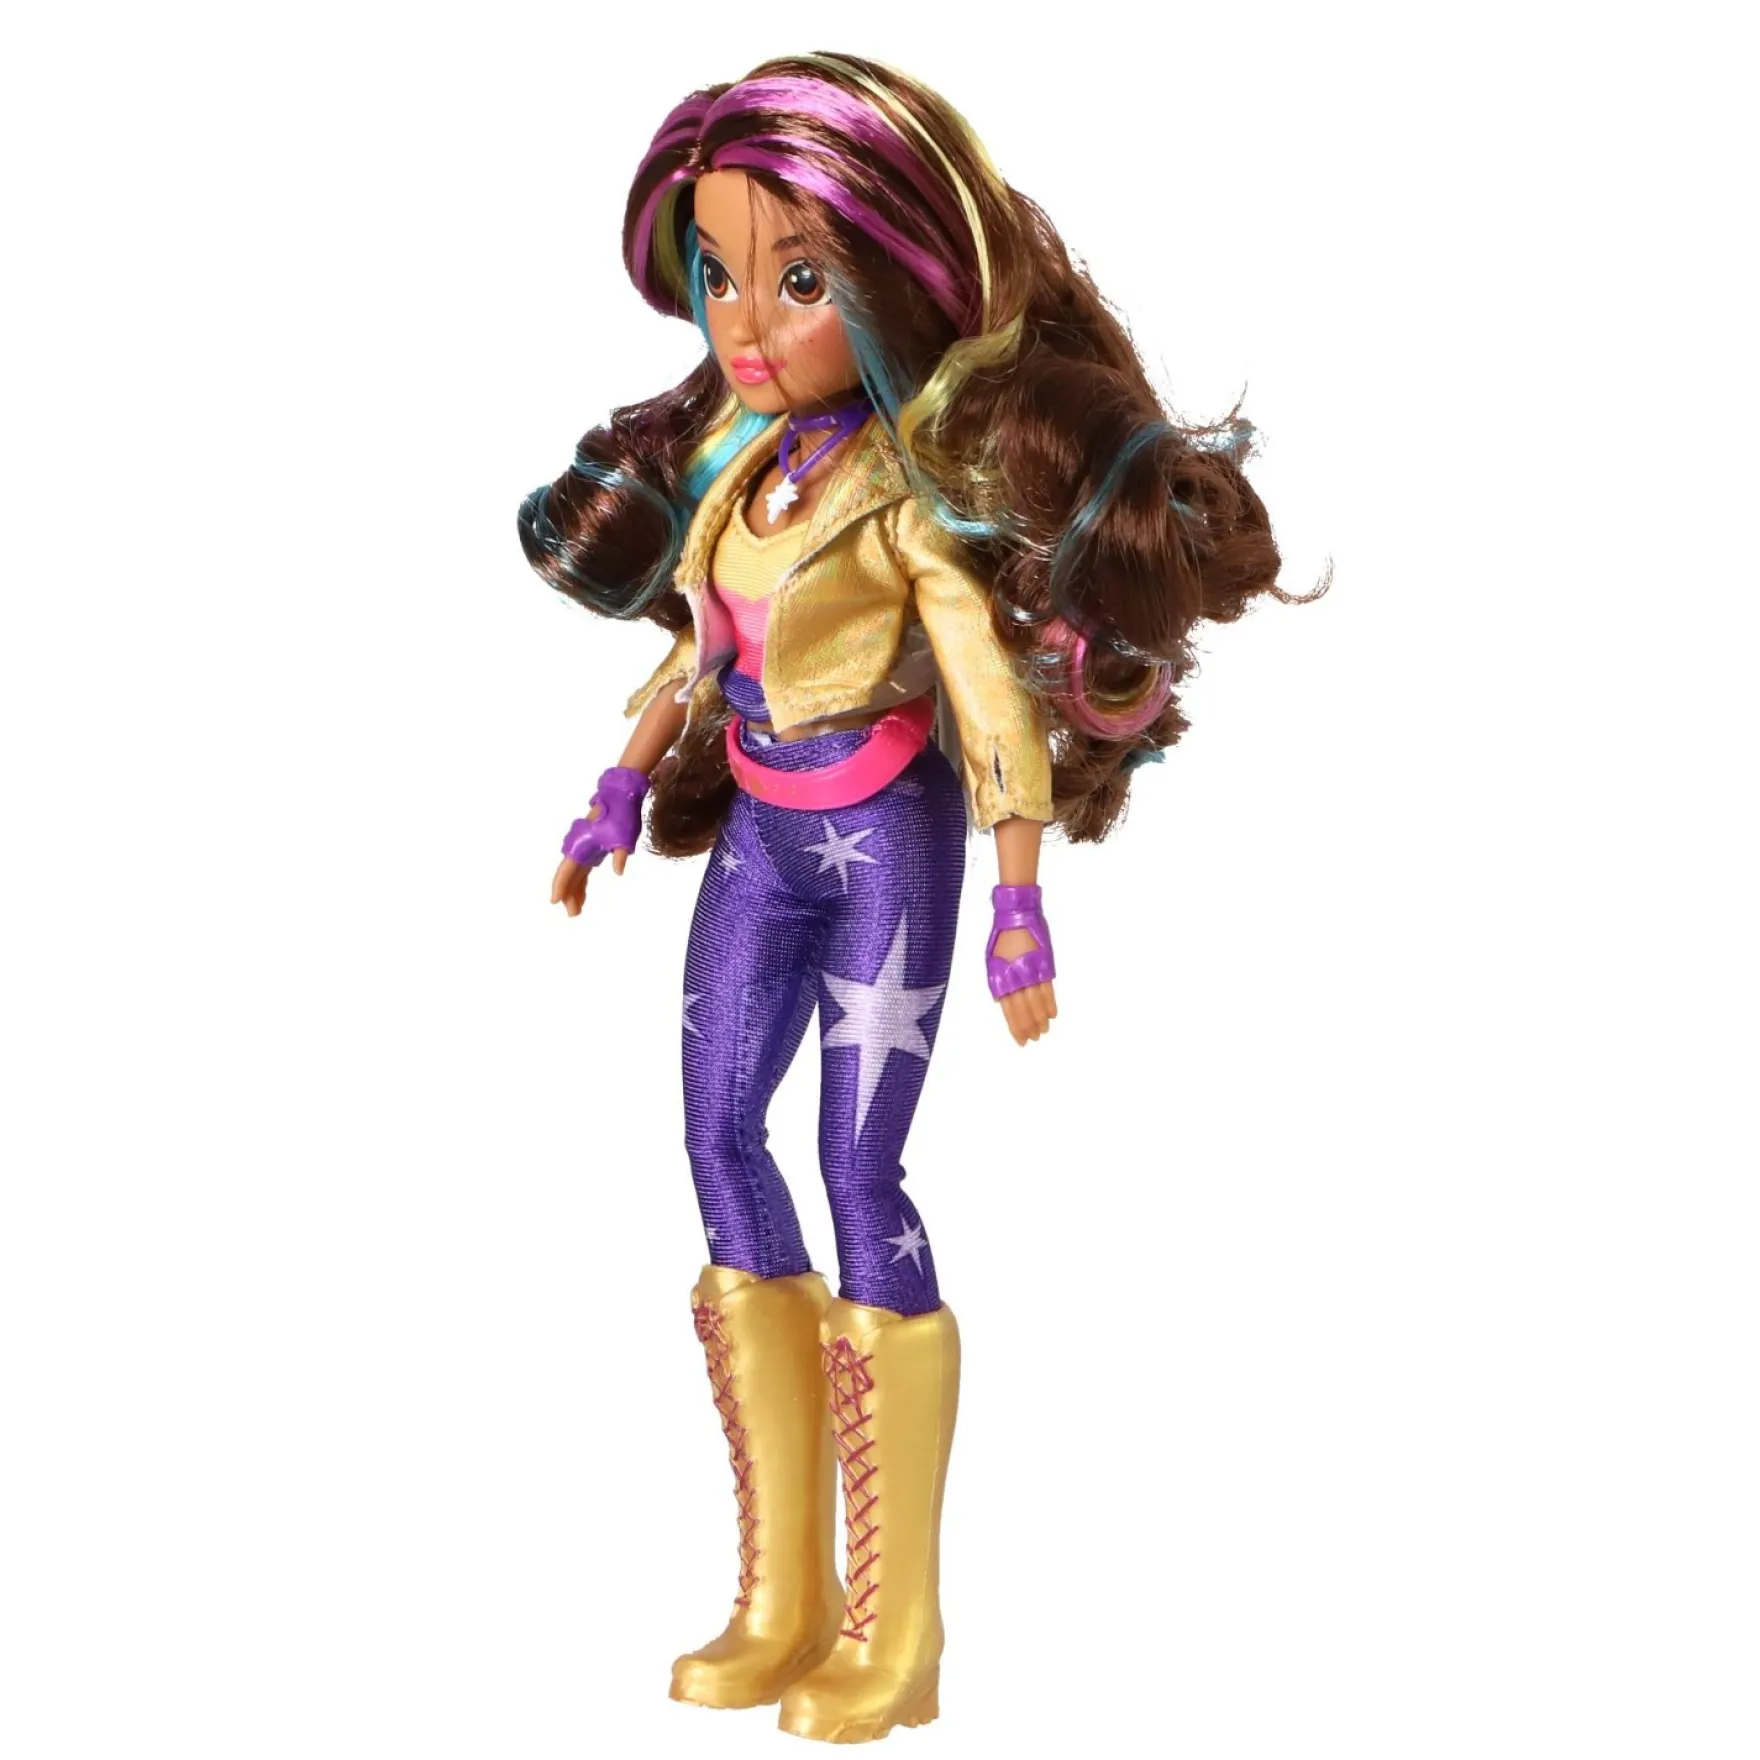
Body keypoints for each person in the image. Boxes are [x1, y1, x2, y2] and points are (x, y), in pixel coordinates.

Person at [518, 52, 1310, 1743]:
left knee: (858, 1165)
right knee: (718, 1138)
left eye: (797, 280)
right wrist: (613, 790)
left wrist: (1020, 897)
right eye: (721, 274)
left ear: (886, 286)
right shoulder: (739, 474)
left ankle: (898, 1626)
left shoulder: (907, 503)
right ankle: (781, 1594)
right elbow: (697, 656)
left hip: (886, 840)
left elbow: (989, 701)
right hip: (760, 840)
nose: (746, 321)